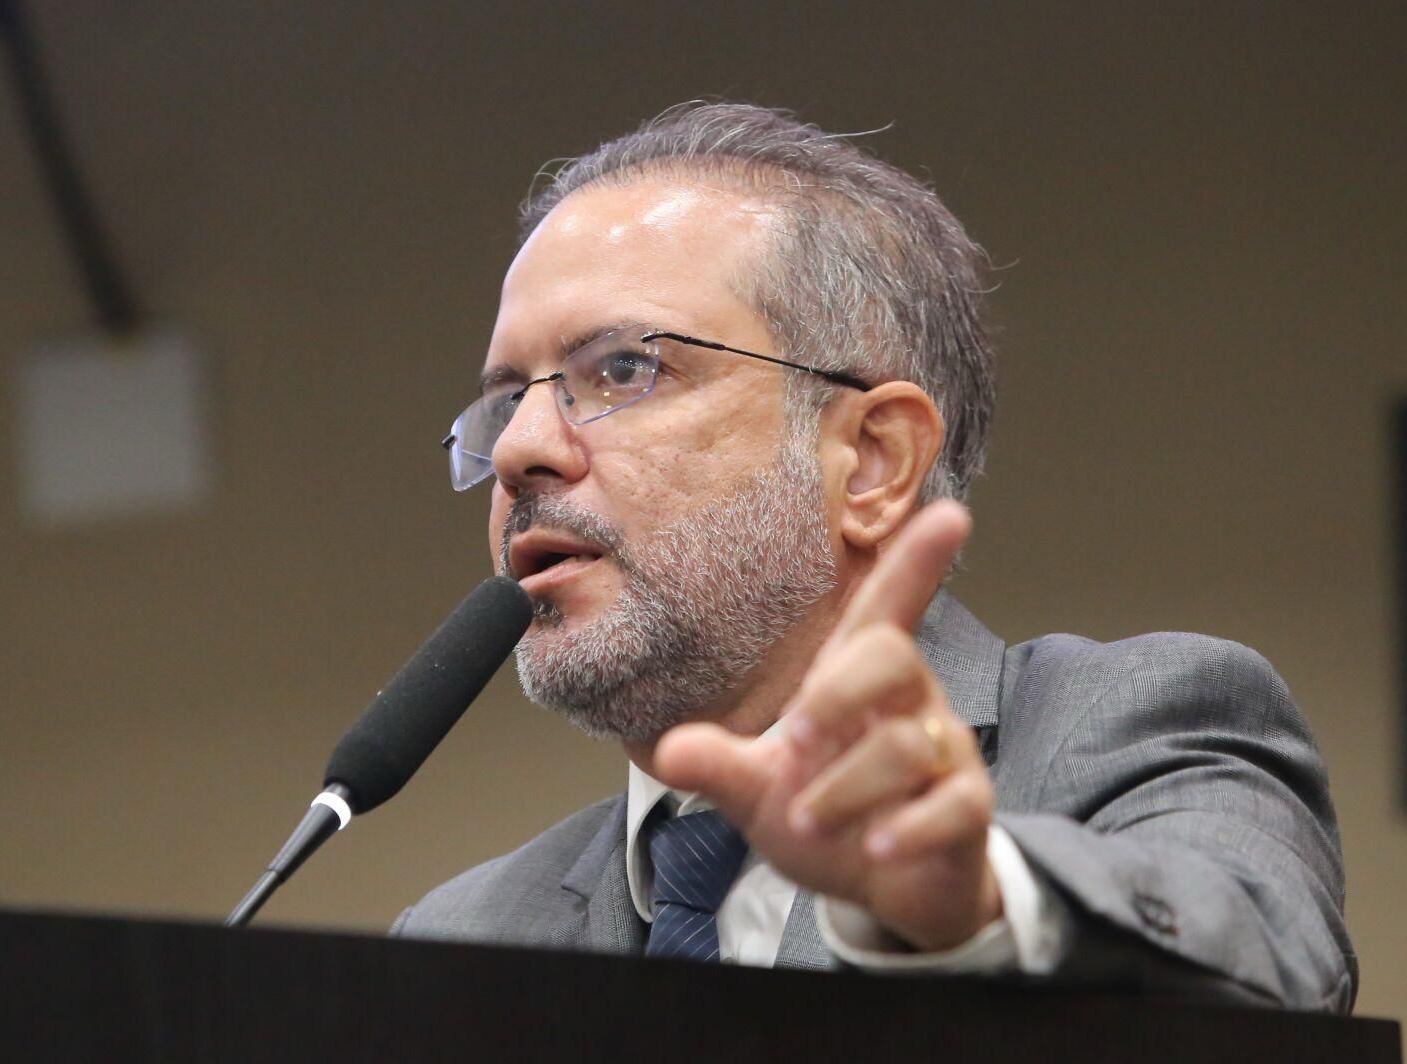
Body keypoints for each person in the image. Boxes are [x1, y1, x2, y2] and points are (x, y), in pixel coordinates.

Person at [393, 102, 1355, 1012]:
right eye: (508, 399)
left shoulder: (1138, 726)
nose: (519, 449)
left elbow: (1270, 957)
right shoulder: (459, 938)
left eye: (622, 368)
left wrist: (976, 906)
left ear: (872, 459)